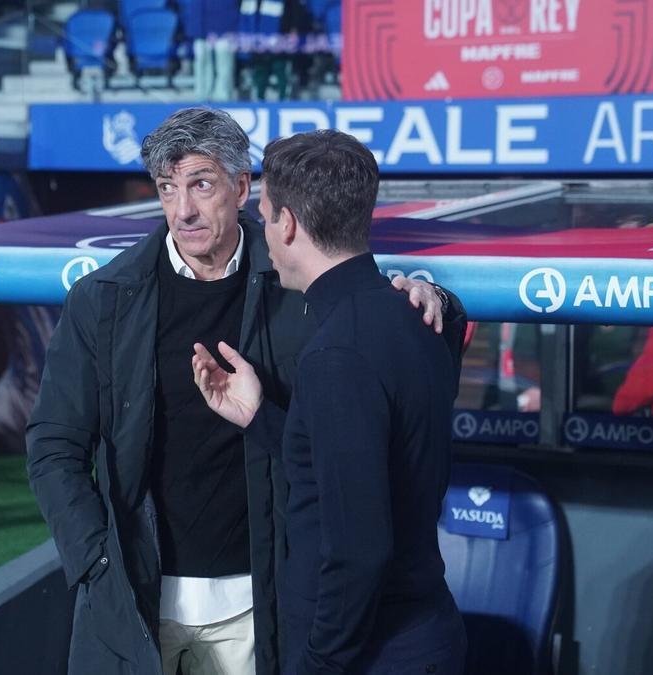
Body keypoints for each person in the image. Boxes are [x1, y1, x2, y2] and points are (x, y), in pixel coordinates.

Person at [26, 107, 465, 675]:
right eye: (167, 188)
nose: (182, 210)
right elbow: (54, 446)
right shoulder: (103, 298)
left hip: (261, 607)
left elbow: (371, 323)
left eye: (200, 184)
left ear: (241, 187)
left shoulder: (298, 279)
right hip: (132, 600)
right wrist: (95, 560)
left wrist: (435, 299)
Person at [192, 129, 466, 675]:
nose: (264, 231)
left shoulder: (338, 353)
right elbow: (365, 465)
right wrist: (259, 417)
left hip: (372, 656)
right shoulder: (411, 317)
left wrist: (319, 665)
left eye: (266, 215)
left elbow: (358, 551)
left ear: (289, 224)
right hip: (419, 638)